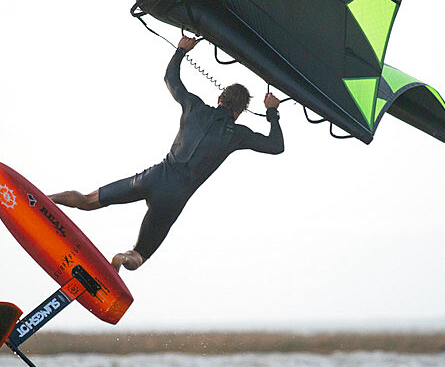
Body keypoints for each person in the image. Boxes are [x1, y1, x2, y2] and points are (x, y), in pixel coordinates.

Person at [49, 36, 283, 271]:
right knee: (139, 255)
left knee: (88, 201)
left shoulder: (194, 107)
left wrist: (181, 50)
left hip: (154, 177)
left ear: (220, 98)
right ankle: (122, 257)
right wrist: (272, 112)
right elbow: (276, 146)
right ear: (240, 111)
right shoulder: (238, 134)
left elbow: (171, 79)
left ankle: (46, 200)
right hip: (174, 197)